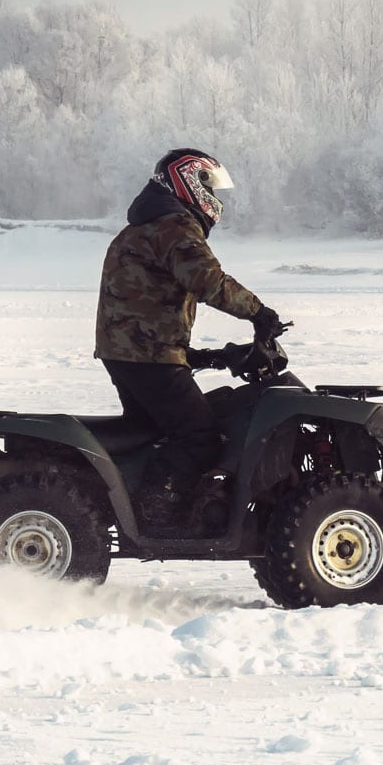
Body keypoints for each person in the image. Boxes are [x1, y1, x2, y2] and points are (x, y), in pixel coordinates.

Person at [94, 148, 285, 530]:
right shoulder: (173, 227)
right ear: (188, 182)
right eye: (209, 186)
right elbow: (208, 281)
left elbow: (143, 306)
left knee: (155, 433)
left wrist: (200, 356)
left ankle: (140, 500)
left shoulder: (145, 226)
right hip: (148, 356)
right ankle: (156, 510)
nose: (215, 198)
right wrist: (259, 313)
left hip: (133, 351)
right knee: (200, 435)